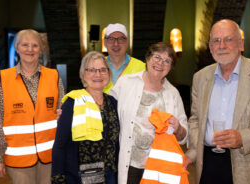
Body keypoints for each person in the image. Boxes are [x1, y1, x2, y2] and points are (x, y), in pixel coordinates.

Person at [185, 19, 250, 184]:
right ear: (210, 47)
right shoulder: (200, 78)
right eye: (216, 40)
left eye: (228, 39)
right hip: (208, 166)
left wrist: (243, 137)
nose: (221, 45)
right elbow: (195, 120)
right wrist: (194, 152)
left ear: (241, 44)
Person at [0, 29, 65, 184]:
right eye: (25, 45)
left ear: (41, 49)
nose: (30, 49)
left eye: (35, 45)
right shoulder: (4, 79)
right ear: (17, 48)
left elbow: (63, 115)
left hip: (50, 157)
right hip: (18, 161)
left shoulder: (54, 76)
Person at [110, 42, 188, 184]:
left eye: (167, 61)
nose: (160, 63)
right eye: (157, 57)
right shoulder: (126, 82)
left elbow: (184, 137)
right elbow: (106, 111)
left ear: (170, 68)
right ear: (147, 58)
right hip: (129, 165)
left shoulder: (173, 94)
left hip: (159, 168)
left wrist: (179, 129)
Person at [51, 51, 119, 184]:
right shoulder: (73, 102)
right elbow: (60, 145)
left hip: (110, 175)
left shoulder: (113, 103)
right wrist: (58, 178)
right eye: (92, 70)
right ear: (83, 74)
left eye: (102, 70)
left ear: (109, 74)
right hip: (79, 177)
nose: (98, 75)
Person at [103, 23, 145, 93]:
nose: (116, 44)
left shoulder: (142, 67)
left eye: (121, 39)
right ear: (105, 42)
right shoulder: (97, 65)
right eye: (111, 39)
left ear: (127, 42)